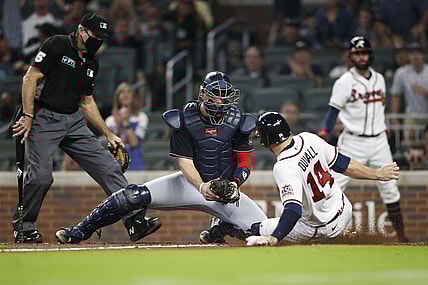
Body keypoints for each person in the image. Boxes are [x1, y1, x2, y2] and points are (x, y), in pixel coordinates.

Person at [54, 71, 268, 244]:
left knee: (263, 230)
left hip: (224, 191)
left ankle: (220, 228)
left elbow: (244, 162)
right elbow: (184, 161)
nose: (220, 101)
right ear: (204, 93)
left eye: (224, 96)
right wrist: (202, 187)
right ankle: (80, 231)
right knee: (132, 196)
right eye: (216, 94)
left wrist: (235, 183)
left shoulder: (239, 122)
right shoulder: (186, 118)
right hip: (190, 183)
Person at [11, 13, 159, 243]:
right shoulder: (57, 44)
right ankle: (25, 226)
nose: (98, 41)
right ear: (81, 30)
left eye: (102, 37)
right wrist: (28, 115)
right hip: (44, 118)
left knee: (110, 168)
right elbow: (31, 77)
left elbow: (86, 101)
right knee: (41, 177)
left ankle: (134, 221)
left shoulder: (92, 62)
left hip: (74, 120)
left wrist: (109, 134)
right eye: (95, 35)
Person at [245, 112, 400, 246]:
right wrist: (377, 174)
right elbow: (343, 164)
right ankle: (341, 233)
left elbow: (293, 210)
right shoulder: (309, 138)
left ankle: (334, 236)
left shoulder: (283, 166)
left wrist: (274, 238)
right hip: (345, 209)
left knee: (254, 229)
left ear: (266, 139)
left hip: (322, 227)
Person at [317, 36, 408, 242]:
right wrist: (324, 134)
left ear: (370, 55)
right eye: (357, 53)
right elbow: (332, 113)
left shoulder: (380, 79)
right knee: (334, 187)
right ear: (350, 56)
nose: (362, 56)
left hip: (379, 142)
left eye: (364, 52)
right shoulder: (345, 82)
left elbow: (379, 110)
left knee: (391, 189)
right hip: (352, 141)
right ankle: (322, 233)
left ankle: (403, 237)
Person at [105, 82, 148, 170]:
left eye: (129, 92)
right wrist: (117, 124)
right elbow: (113, 147)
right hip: (115, 166)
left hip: (135, 165)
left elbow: (134, 143)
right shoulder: (110, 121)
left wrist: (125, 123)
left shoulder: (141, 117)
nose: (125, 95)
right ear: (117, 97)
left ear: (133, 96)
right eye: (122, 92)